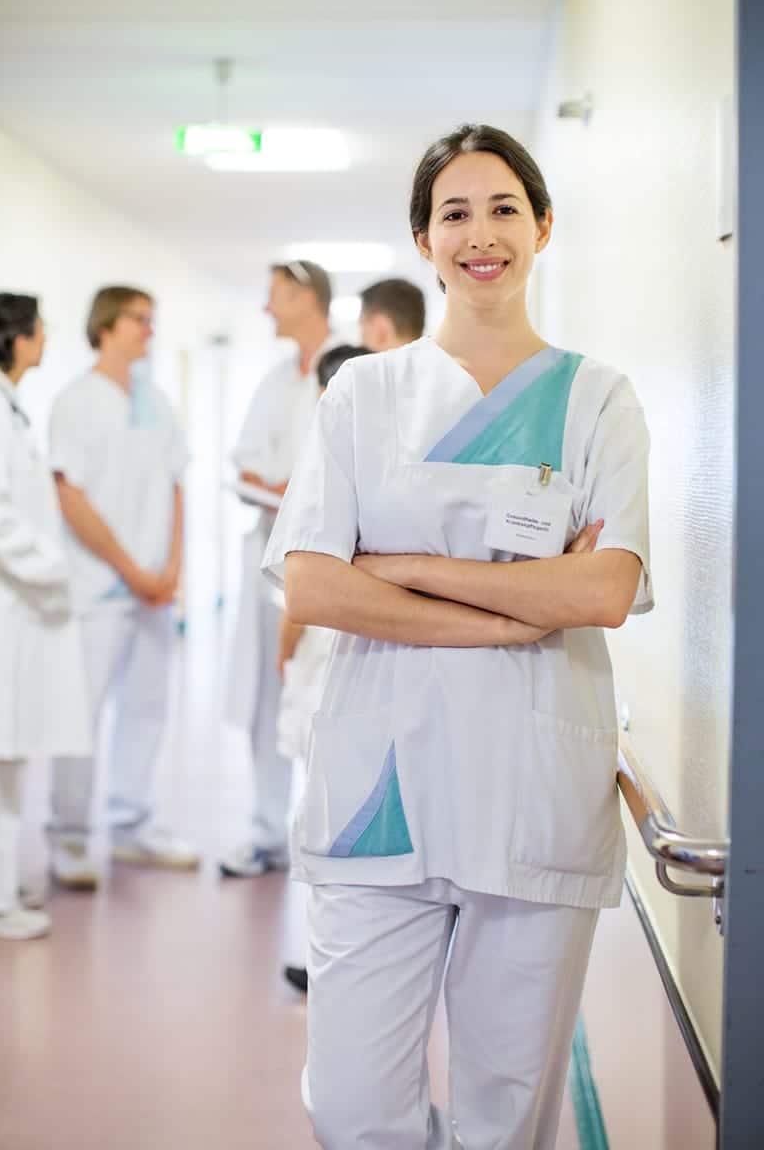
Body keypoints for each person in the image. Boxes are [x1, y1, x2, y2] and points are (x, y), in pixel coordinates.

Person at [262, 124, 653, 1148]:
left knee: (504, 1111)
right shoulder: (364, 394)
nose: (480, 234)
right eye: (453, 214)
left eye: (502, 209)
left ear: (542, 227)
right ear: (422, 241)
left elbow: (605, 590)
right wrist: (512, 605)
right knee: (352, 1109)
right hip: (377, 789)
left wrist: (401, 568)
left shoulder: (597, 398)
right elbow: (309, 582)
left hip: (532, 792)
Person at [48, 286, 197, 887]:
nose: (149, 331)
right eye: (139, 319)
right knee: (80, 717)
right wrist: (131, 571)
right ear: (106, 325)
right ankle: (70, 838)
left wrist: (172, 571)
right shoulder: (76, 402)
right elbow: (69, 494)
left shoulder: (156, 402)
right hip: (100, 589)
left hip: (155, 593)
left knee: (147, 710)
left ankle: (132, 825)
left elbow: (177, 488)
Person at [0, 294, 92, 938]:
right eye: (40, 329)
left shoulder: (0, 403)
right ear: (13, 338)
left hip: (10, 605)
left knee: (7, 751)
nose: (45, 338)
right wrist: (46, 563)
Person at [219, 260, 342, 878]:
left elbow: (334, 476)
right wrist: (286, 486)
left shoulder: (349, 369)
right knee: (268, 694)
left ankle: (319, 838)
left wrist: (287, 485)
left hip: (329, 564)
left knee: (317, 698)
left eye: (275, 297)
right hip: (270, 556)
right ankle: (267, 831)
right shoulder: (274, 379)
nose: (267, 309)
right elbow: (245, 468)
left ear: (306, 298)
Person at [275, 344, 371, 995]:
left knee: (331, 815)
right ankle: (327, 955)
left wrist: (283, 643)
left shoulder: (338, 463)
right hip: (343, 661)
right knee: (332, 813)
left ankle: (332, 959)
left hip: (342, 662)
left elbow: (300, 586)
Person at [358, 277, 426, 352]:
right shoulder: (435, 361)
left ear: (381, 327)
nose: (362, 343)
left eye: (364, 332)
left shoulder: (363, 363)